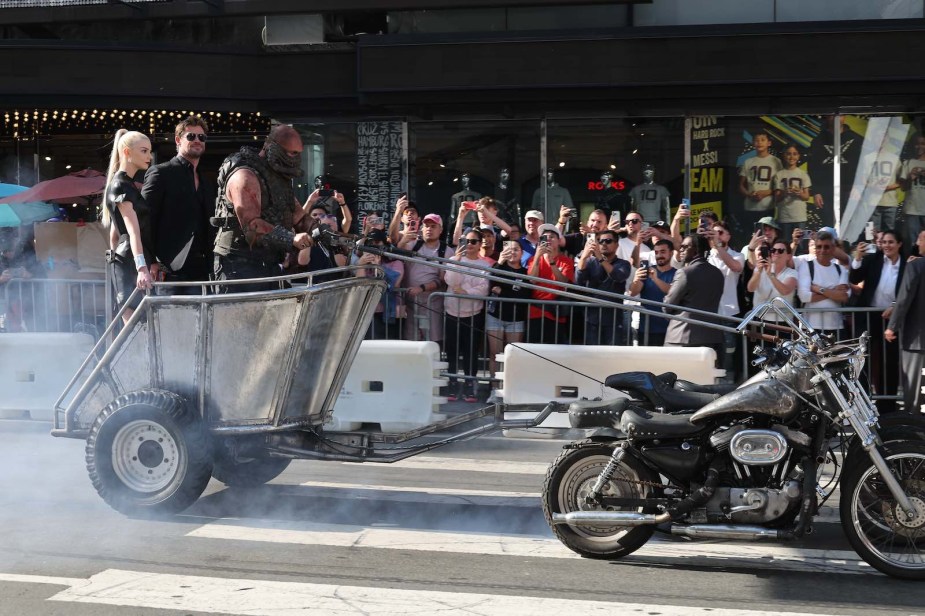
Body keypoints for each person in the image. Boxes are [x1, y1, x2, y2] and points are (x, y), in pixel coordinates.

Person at [212, 125, 313, 292]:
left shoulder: (278, 178)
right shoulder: (244, 175)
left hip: (270, 264)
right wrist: (291, 239)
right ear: (271, 146)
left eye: (297, 153)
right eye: (290, 152)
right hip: (239, 265)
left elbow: (299, 217)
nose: (293, 158)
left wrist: (322, 231)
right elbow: (252, 226)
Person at [141, 115, 215, 294]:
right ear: (178, 140)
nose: (197, 140)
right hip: (170, 269)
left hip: (203, 269)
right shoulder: (161, 173)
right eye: (191, 136)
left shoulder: (206, 181)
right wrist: (149, 261)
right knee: (171, 320)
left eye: (201, 137)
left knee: (203, 321)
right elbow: (144, 220)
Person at [102, 129, 156, 323]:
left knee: (138, 326)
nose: (149, 156)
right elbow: (132, 231)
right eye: (143, 151)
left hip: (129, 259)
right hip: (130, 261)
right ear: (126, 152)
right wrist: (142, 267)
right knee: (134, 327)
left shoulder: (125, 184)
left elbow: (114, 234)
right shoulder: (121, 185)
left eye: (149, 151)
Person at [850, 230, 905, 412]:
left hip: (891, 318)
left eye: (891, 242)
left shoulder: (907, 264)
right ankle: (863, 402)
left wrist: (896, 306)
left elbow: (907, 290)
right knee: (864, 359)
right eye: (884, 242)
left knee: (890, 360)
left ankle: (886, 405)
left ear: (899, 244)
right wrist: (857, 258)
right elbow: (854, 278)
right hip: (869, 315)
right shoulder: (873, 260)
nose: (887, 245)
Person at [444, 228, 492, 402]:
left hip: (473, 313)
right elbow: (450, 281)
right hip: (452, 312)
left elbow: (483, 289)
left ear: (480, 244)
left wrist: (464, 291)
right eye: (465, 241)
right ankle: (452, 382)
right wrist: (456, 261)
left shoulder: (485, 265)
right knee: (452, 351)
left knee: (471, 351)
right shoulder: (452, 260)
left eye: (473, 242)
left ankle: (470, 384)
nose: (469, 245)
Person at [662, 233, 724, 364]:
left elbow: (668, 306)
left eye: (685, 246)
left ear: (696, 250)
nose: (681, 249)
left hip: (681, 338)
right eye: (681, 246)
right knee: (705, 381)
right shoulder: (718, 273)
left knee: (676, 380)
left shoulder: (684, 273)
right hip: (711, 337)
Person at [399, 213, 453, 344]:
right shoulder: (412, 245)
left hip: (433, 305)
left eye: (433, 226)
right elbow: (397, 255)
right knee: (411, 343)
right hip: (411, 304)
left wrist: (421, 288)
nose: (429, 229)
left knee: (433, 342)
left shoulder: (447, 251)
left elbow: (443, 280)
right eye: (426, 226)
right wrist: (403, 240)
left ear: (440, 230)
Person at [576, 228, 631, 345]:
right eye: (600, 241)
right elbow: (579, 280)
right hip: (592, 319)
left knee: (613, 357)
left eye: (608, 241)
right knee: (592, 358)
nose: (604, 244)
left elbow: (618, 276)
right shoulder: (591, 262)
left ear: (616, 245)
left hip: (613, 319)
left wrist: (599, 257)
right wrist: (584, 257)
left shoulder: (623, 264)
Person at [885, 253, 925, 413]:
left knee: (915, 392)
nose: (917, 242)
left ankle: (916, 430)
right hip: (918, 338)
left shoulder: (916, 266)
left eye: (921, 239)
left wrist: (892, 326)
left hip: (917, 339)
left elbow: (904, 297)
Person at [485, 240, 531, 377]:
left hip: (516, 318)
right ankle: (494, 387)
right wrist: (499, 262)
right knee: (495, 354)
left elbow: (524, 295)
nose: (512, 252)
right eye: (509, 249)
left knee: (513, 355)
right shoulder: (498, 266)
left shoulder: (525, 272)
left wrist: (504, 292)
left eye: (516, 249)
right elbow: (492, 284)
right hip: (495, 316)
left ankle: (510, 387)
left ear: (522, 253)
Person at [707, 220, 745, 378]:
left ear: (728, 236)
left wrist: (719, 247)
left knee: (729, 351)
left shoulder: (738, 255)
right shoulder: (705, 255)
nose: (717, 236)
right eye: (714, 233)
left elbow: (736, 267)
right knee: (711, 353)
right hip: (709, 313)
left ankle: (728, 383)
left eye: (720, 233)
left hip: (729, 311)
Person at [526, 224, 575, 344]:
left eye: (552, 237)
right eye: (544, 237)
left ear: (559, 241)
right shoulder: (533, 259)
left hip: (556, 313)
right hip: (535, 313)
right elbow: (531, 280)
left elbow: (564, 283)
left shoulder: (566, 261)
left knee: (554, 352)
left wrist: (552, 262)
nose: (548, 239)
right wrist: (538, 257)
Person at [796, 230, 850, 338]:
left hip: (836, 327)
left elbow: (844, 297)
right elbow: (804, 296)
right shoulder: (806, 266)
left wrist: (817, 289)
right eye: (819, 247)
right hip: (811, 327)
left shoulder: (841, 270)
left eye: (826, 247)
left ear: (833, 249)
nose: (822, 250)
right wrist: (833, 292)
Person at [355, 229, 404, 340]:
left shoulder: (396, 263)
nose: (373, 246)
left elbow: (392, 284)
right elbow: (361, 285)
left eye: (377, 243)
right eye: (370, 243)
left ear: (384, 244)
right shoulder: (364, 263)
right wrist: (361, 264)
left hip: (389, 314)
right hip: (368, 312)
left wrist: (378, 266)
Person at [627, 239, 676, 347]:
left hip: (669, 330)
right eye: (656, 252)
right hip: (646, 329)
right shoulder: (647, 271)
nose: (659, 255)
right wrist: (636, 279)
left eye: (663, 252)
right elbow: (633, 293)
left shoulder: (677, 273)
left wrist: (655, 279)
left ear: (671, 253)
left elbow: (671, 291)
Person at [738, 130, 782, 235]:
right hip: (750, 207)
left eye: (763, 140)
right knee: (751, 236)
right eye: (756, 140)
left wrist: (766, 192)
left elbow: (780, 186)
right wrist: (749, 194)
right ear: (753, 143)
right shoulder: (748, 161)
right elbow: (740, 186)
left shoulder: (776, 161)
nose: (759, 143)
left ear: (769, 143)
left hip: (768, 207)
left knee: (767, 235)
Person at [746, 239, 798, 322]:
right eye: (773, 250)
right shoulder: (760, 268)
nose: (776, 253)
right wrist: (758, 272)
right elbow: (750, 288)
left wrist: (770, 275)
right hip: (759, 319)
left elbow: (785, 290)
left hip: (782, 322)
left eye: (780, 251)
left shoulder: (792, 273)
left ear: (788, 256)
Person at [772, 144, 815, 243]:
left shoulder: (803, 174)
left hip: (799, 217)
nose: (791, 157)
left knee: (800, 245)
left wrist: (799, 193)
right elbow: (776, 199)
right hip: (784, 218)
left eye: (795, 154)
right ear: (784, 155)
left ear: (799, 156)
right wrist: (785, 192)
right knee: (785, 244)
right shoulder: (779, 175)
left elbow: (806, 197)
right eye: (788, 154)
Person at [899, 135, 925, 252]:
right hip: (912, 210)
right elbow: (903, 188)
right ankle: (913, 266)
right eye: (917, 144)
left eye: (922, 144)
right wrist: (910, 177)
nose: (919, 146)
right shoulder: (908, 163)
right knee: (912, 243)